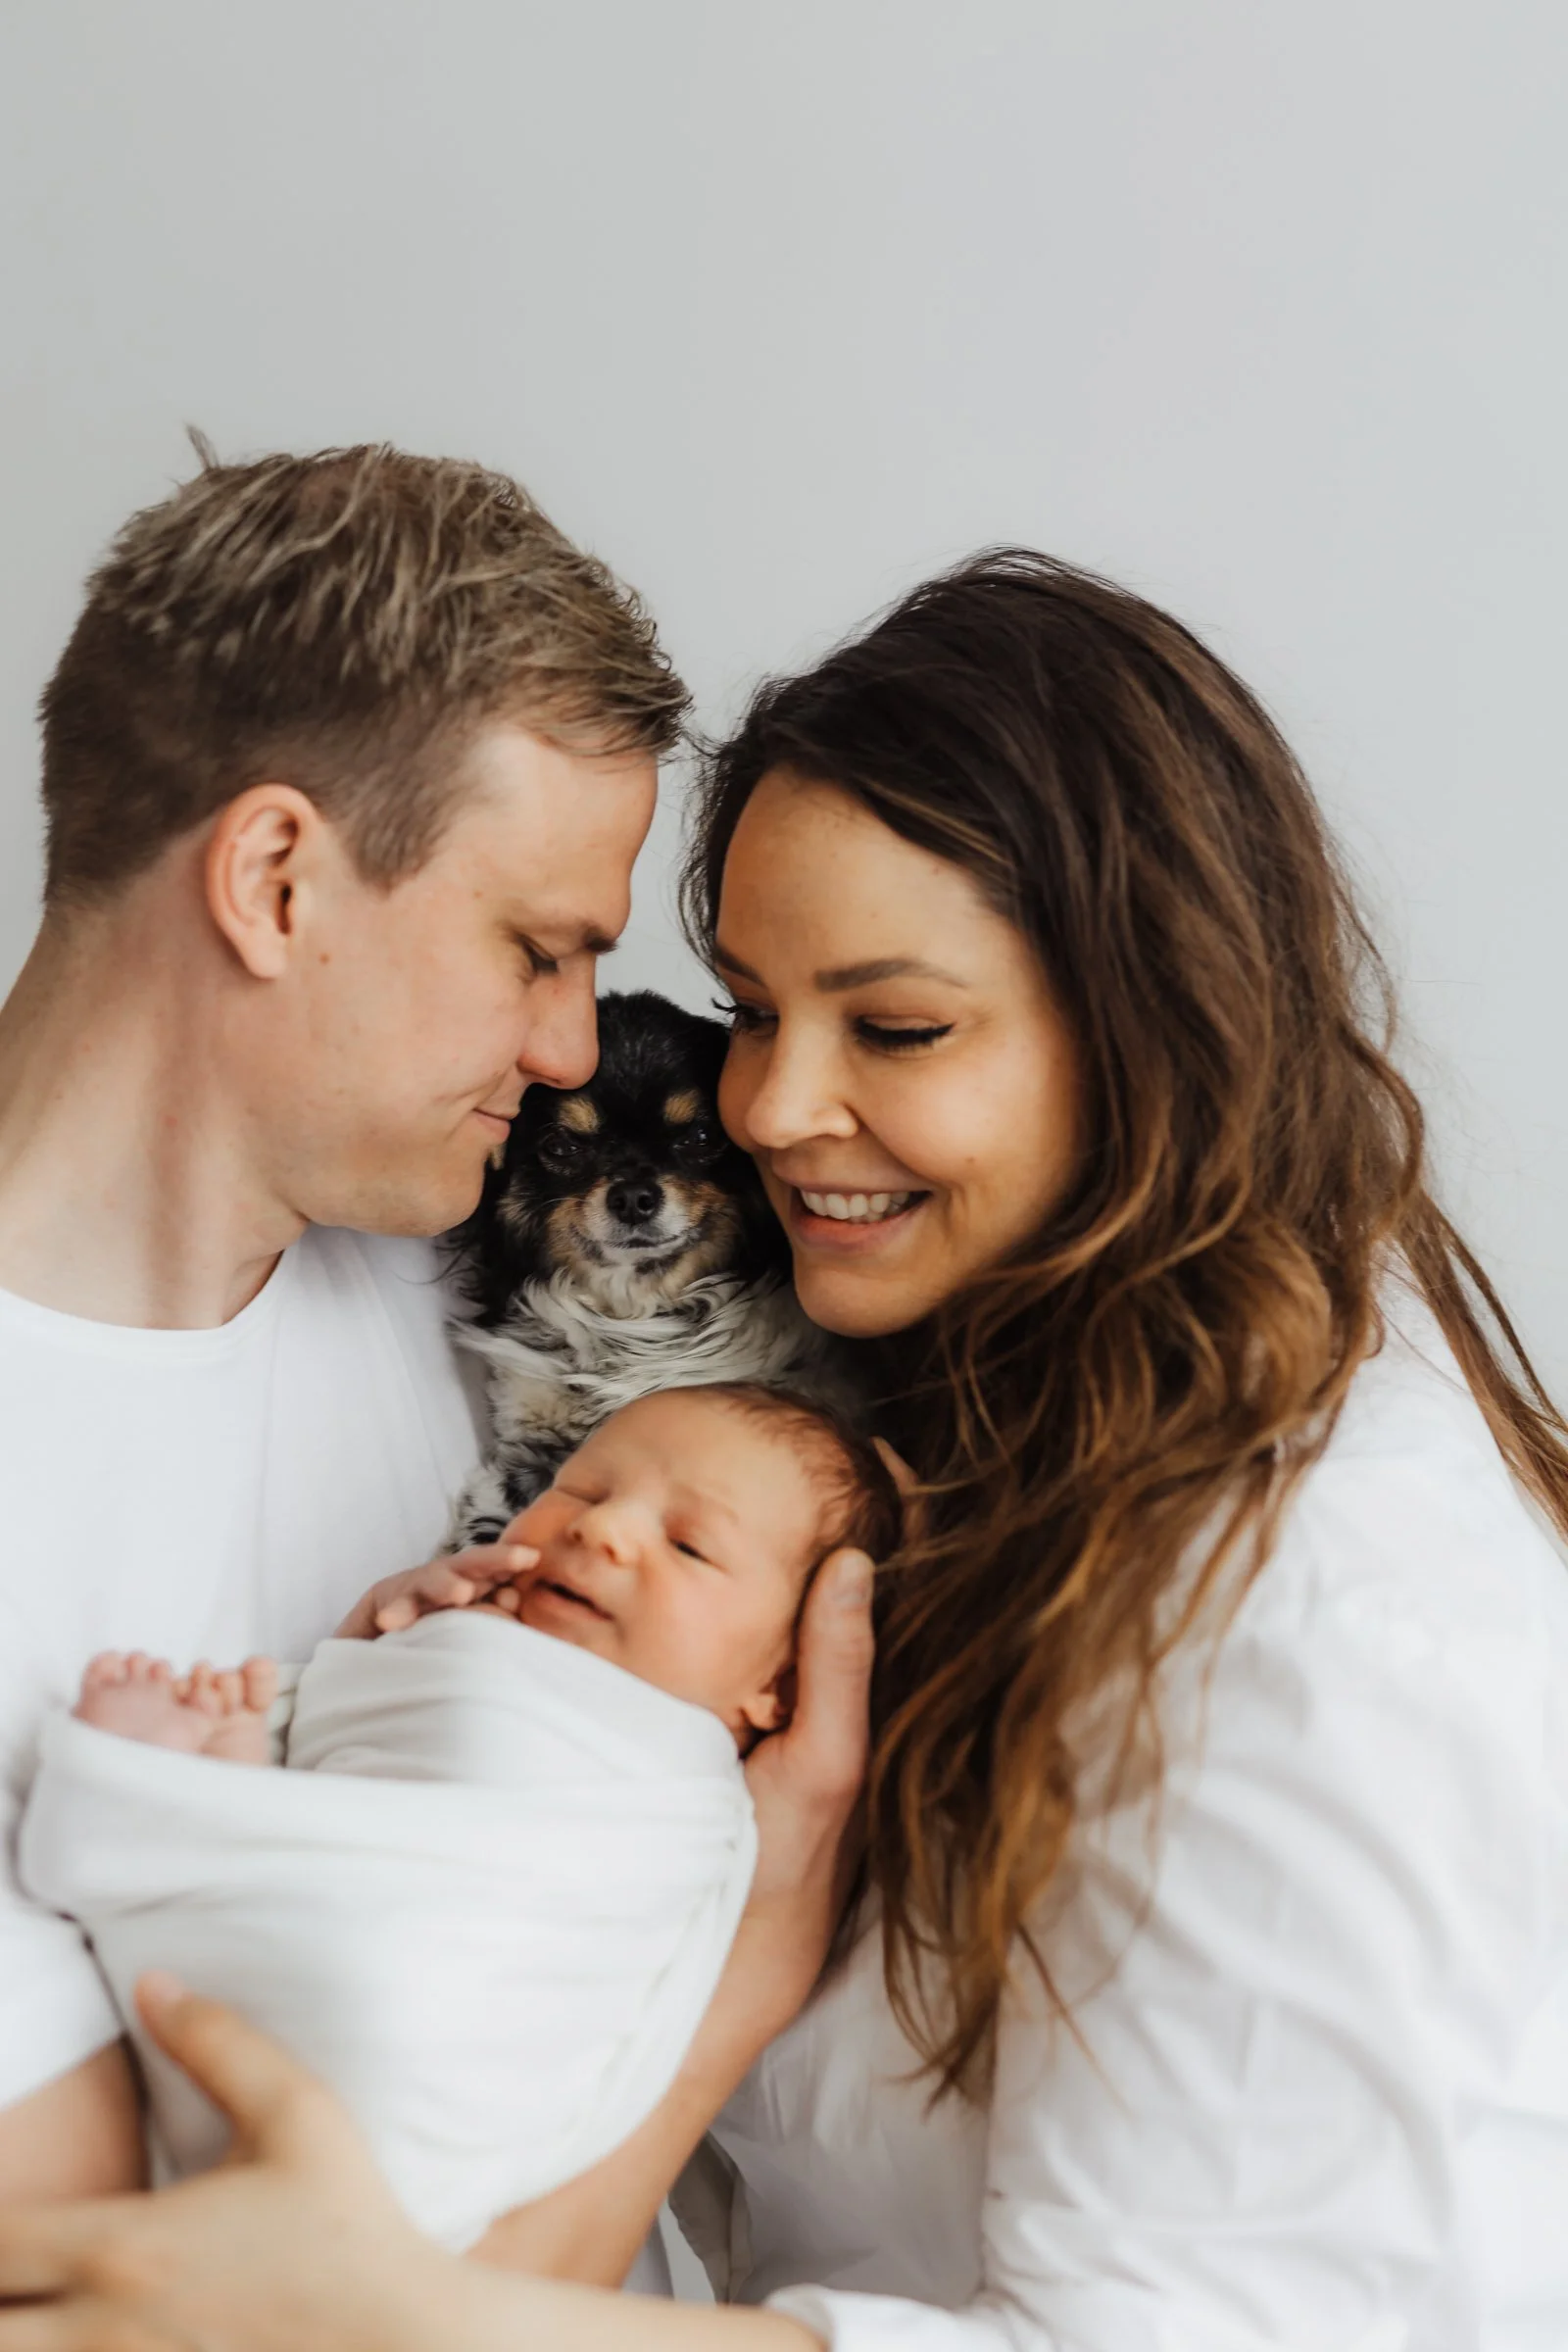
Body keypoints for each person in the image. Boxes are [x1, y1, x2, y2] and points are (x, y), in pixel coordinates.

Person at [3, 550, 1565, 2350]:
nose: (764, 1108)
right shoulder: (896, 1392)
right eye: (750, 1008)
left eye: (893, 1026)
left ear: (1155, 1040)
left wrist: (416, 2317)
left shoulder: (1334, 1609)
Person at [0, 438, 879, 2269]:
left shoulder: (472, 1289)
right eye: (536, 950)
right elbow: (226, 2326)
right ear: (273, 881)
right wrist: (762, 1930)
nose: (579, 1053)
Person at [20, 1384, 899, 2261]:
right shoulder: (461, 1636)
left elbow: (651, 1988)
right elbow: (371, 1785)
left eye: (690, 1545)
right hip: (325, 1950)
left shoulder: (694, 1802)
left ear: (780, 1688)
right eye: (583, 1489)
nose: (604, 1529)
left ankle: (168, 1817)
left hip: (441, 2041)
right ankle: (209, 1813)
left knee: (385, 1998)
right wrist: (385, 1666)